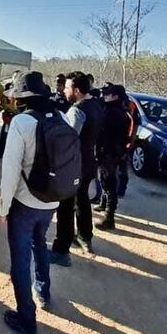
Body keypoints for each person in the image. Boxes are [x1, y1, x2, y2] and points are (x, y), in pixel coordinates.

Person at [0, 71, 68, 334]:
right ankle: (44, 292)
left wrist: (4, 208)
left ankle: (26, 318)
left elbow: (10, 171)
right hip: (51, 200)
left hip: (25, 203)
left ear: (21, 98)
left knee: (20, 257)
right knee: (40, 243)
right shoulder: (58, 117)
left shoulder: (21, 123)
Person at [50, 71, 105, 263]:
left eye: (67, 88)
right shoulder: (97, 106)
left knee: (65, 205)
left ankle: (61, 251)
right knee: (82, 200)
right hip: (90, 161)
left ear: (77, 90)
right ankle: (85, 237)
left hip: (74, 165)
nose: (64, 91)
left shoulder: (77, 110)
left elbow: (69, 140)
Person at [97, 84, 134, 229]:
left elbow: (105, 133)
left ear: (116, 96)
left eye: (108, 94)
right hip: (114, 151)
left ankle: (109, 218)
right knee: (107, 182)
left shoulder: (114, 113)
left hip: (110, 152)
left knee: (109, 183)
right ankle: (105, 206)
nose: (105, 96)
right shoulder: (119, 110)